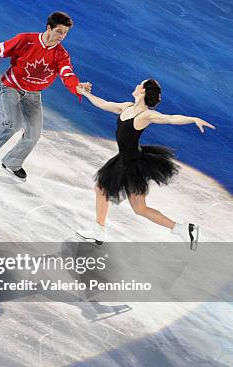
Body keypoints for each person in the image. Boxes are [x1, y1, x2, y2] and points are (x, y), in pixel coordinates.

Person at [75, 79, 215, 250]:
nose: (135, 86)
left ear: (142, 92)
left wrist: (193, 119)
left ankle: (99, 230)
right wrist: (85, 93)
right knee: (136, 206)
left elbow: (169, 118)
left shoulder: (145, 115)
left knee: (106, 190)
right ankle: (183, 229)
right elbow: (104, 104)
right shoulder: (126, 107)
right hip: (124, 160)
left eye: (139, 85)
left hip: (133, 165)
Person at [0, 11, 91, 181]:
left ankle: (12, 162)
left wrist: (77, 86)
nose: (62, 36)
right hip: (11, 86)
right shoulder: (25, 40)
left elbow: (66, 73)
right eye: (59, 31)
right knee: (13, 123)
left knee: (35, 132)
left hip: (33, 94)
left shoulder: (61, 54)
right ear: (49, 28)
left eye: (65, 33)